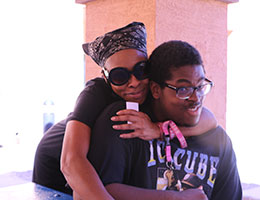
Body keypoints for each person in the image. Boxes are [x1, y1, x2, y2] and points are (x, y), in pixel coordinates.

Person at [32, 22, 217, 199]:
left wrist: (158, 130)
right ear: (105, 76)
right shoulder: (94, 93)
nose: (134, 82)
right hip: (56, 172)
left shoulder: (152, 90)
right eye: (119, 76)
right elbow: (71, 162)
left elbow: (210, 121)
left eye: (141, 70)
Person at [86, 40, 242, 200]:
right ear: (155, 90)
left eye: (200, 86)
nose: (196, 98)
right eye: (183, 89)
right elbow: (100, 190)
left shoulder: (218, 141)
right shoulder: (127, 121)